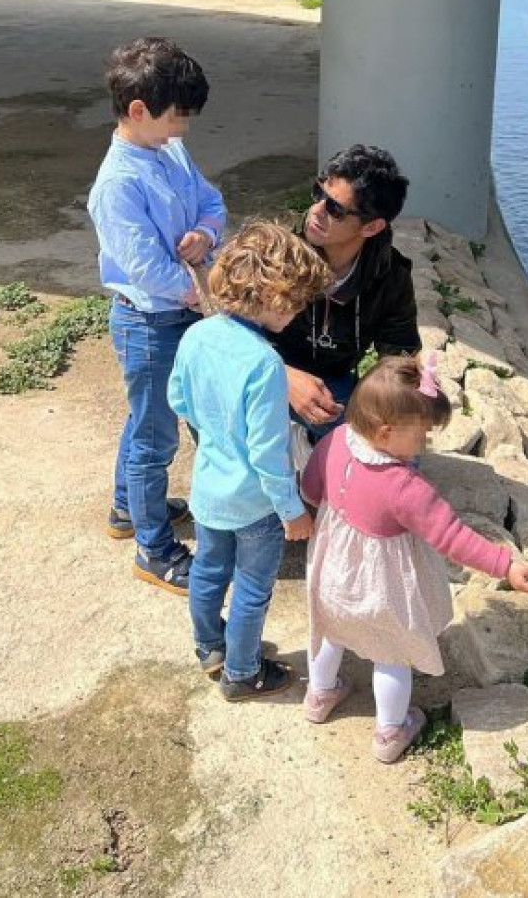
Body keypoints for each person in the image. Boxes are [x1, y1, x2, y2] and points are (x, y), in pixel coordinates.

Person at [300, 356, 528, 763]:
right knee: (393, 654)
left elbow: (311, 487)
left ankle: (319, 695)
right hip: (381, 588)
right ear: (385, 432)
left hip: (334, 572)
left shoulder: (336, 439)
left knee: (330, 630)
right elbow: (453, 537)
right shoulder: (405, 487)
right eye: (421, 437)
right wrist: (507, 566)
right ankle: (390, 733)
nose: (425, 445)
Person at [168, 221, 331, 700]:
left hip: (208, 491)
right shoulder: (262, 362)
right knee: (252, 589)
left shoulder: (197, 336)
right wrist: (292, 511)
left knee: (208, 571)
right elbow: (266, 451)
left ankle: (210, 648)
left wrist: (217, 428)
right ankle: (243, 673)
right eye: (297, 302)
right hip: (256, 504)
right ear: (274, 296)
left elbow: (179, 399)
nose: (298, 314)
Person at [88, 37, 226, 596]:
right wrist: (205, 296)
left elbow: (212, 200)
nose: (183, 129)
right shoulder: (118, 184)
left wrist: (206, 233)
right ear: (139, 111)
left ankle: (128, 508)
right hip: (149, 324)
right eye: (177, 117)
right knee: (155, 438)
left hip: (178, 314)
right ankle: (155, 549)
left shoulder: (169, 152)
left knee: (146, 420)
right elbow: (146, 270)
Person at [270, 144, 421, 442]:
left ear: (372, 226)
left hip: (332, 389)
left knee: (396, 445)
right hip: (264, 374)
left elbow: (398, 354)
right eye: (319, 193)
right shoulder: (279, 252)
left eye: (335, 208)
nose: (316, 211)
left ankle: (314, 447)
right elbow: (231, 333)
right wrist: (282, 376)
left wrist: (386, 401)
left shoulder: (390, 277)